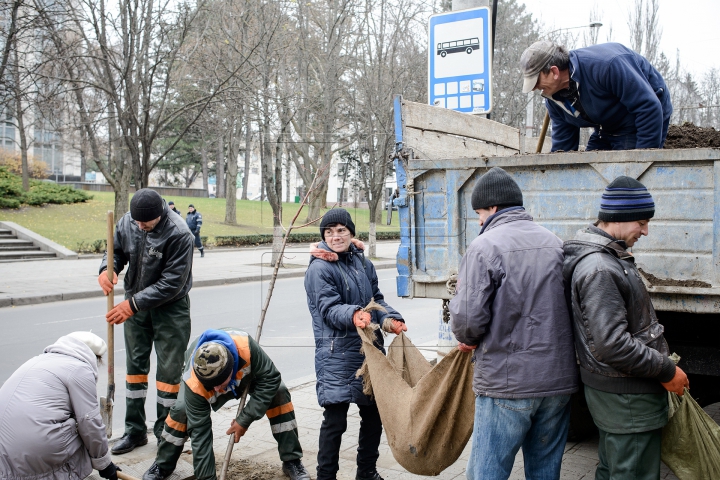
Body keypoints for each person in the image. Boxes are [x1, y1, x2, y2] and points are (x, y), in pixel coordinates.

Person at [448, 167, 579, 480]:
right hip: (557, 383)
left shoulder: (485, 247)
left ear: (493, 208)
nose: (479, 221)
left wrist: (467, 336)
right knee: (545, 472)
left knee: (487, 473)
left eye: (479, 213)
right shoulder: (555, 243)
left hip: (507, 385)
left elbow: (468, 321)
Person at [563, 176, 689, 480]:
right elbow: (612, 344)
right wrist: (666, 369)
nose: (645, 231)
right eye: (642, 222)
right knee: (633, 472)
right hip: (627, 396)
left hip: (620, 395)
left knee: (615, 469)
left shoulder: (606, 258)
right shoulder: (600, 268)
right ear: (618, 218)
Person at [304, 208, 407, 480]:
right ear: (323, 236)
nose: (336, 236)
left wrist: (390, 320)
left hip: (368, 353)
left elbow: (377, 300)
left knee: (374, 416)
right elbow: (328, 309)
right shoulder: (320, 268)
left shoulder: (363, 263)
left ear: (351, 233)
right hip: (336, 354)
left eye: (341, 230)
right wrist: (353, 315)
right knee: (335, 421)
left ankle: (367, 473)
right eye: (329, 232)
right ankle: (326, 476)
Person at [98, 188, 195, 454]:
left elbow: (172, 283)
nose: (140, 226)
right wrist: (108, 269)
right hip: (136, 306)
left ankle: (167, 433)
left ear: (161, 214)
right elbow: (115, 250)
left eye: (146, 223)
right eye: (137, 222)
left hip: (170, 309)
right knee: (134, 370)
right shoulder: (128, 221)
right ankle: (134, 431)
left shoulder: (179, 233)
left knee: (168, 375)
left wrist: (132, 305)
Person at [141, 328, 310, 480]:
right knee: (181, 410)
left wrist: (244, 419)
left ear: (231, 368)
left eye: (219, 384)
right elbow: (200, 434)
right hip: (202, 384)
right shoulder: (194, 380)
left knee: (279, 392)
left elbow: (271, 378)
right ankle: (162, 465)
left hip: (244, 377)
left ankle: (292, 461)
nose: (216, 389)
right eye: (211, 385)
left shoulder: (246, 347)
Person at [0, 331, 120, 480]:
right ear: (95, 357)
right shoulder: (80, 369)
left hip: (4, 452)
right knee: (83, 431)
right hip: (37, 449)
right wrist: (105, 464)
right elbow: (89, 421)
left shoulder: (38, 360)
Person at [520, 40, 672, 152]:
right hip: (606, 127)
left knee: (625, 182)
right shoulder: (554, 99)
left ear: (554, 72)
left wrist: (642, 160)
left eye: (536, 81)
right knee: (590, 172)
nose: (534, 88)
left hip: (642, 116)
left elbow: (648, 107)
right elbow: (563, 145)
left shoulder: (606, 66)